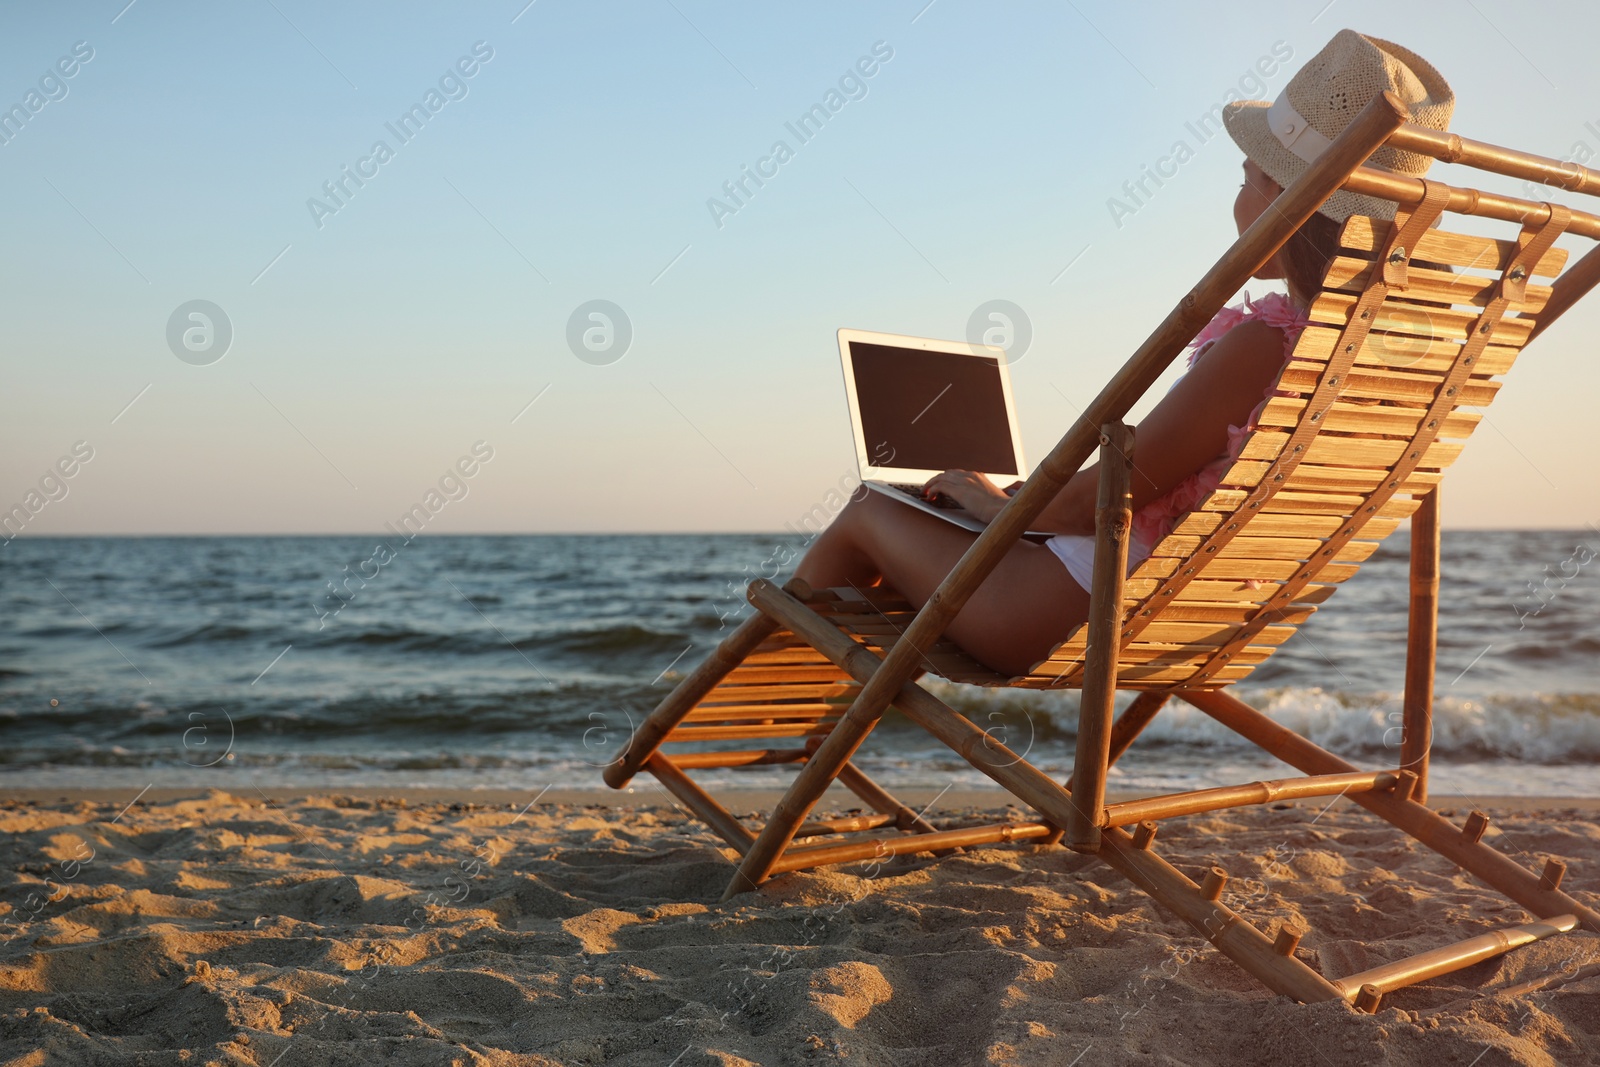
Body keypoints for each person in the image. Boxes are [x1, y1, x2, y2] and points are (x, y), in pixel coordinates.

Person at [792, 29, 1455, 676]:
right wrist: (1004, 505)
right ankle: (811, 731)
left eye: (1249, 177)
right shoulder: (1367, 364)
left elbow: (1098, 506)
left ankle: (780, 724)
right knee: (918, 525)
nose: (1237, 199)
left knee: (869, 510)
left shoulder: (1263, 347)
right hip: (1196, 619)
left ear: (1291, 206)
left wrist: (993, 504)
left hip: (1063, 613)